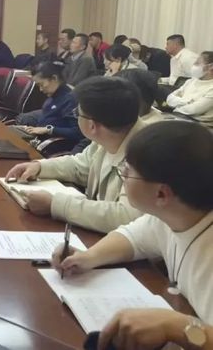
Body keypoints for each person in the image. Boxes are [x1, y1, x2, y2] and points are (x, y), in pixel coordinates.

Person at [51, 121, 213, 347]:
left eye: (126, 172)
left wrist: (175, 325)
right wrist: (88, 257)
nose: (123, 177)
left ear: (161, 194)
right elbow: (133, 237)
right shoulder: (171, 216)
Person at [6, 76, 144, 233]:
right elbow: (80, 167)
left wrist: (55, 205)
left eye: (77, 113)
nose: (76, 116)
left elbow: (126, 216)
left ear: (92, 126)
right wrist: (39, 167)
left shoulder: (148, 153)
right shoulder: (109, 134)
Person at [15, 61, 82, 144]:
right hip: (39, 138)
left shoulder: (70, 100)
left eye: (41, 84)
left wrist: (49, 130)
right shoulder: (54, 95)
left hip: (53, 144)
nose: (40, 89)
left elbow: (77, 132)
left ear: (54, 78)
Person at [166, 51, 213, 128]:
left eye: (197, 63)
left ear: (210, 67)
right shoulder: (191, 81)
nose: (194, 66)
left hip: (200, 125)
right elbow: (169, 98)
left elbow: (195, 109)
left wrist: (177, 107)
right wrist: (187, 102)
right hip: (179, 118)